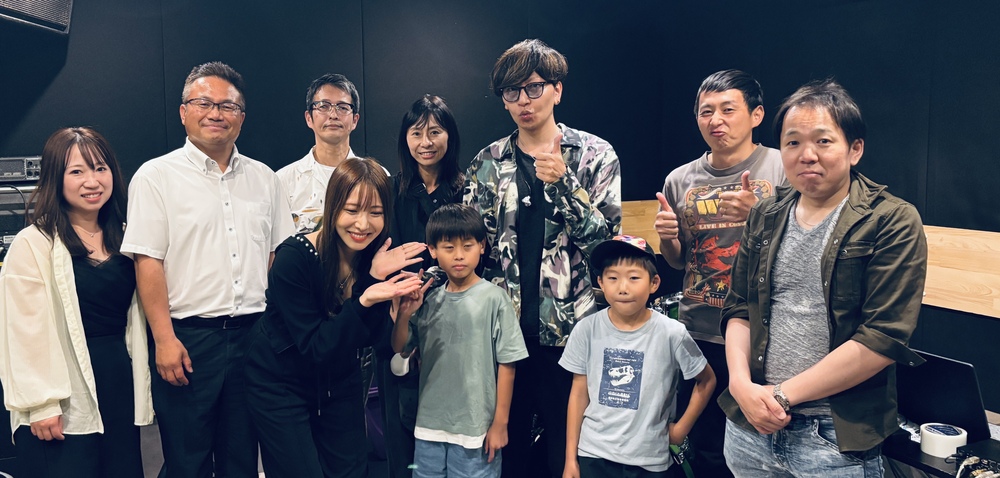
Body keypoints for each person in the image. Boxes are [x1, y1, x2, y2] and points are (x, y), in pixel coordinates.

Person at [720, 79, 928, 476]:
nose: (807, 155)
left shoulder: (892, 220)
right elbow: (740, 307)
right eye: (793, 142)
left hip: (834, 435)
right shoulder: (765, 214)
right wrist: (740, 385)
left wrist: (781, 396)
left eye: (823, 141)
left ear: (855, 149)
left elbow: (882, 337)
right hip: (750, 426)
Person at [121, 61, 295, 477]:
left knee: (242, 459)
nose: (216, 113)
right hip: (188, 340)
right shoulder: (156, 176)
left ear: (242, 117)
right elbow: (148, 262)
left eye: (227, 106)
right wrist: (164, 339)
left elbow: (278, 257)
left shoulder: (265, 179)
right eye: (204, 103)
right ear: (184, 111)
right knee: (187, 461)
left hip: (255, 337)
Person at [465, 38, 621, 478]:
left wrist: (564, 184)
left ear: (557, 90)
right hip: (504, 335)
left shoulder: (594, 154)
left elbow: (607, 248)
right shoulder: (487, 162)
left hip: (571, 334)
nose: (523, 101)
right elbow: (474, 251)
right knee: (506, 454)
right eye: (511, 92)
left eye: (533, 88)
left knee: (566, 454)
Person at [246, 157, 426, 477]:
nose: (362, 224)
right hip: (280, 383)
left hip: (338, 379)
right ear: (332, 207)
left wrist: (400, 312)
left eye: (375, 212)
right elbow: (317, 346)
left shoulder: (376, 261)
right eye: (352, 210)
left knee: (352, 469)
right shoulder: (294, 259)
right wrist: (365, 298)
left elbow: (382, 345)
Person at [654, 69, 786, 477]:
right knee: (708, 447)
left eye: (728, 110)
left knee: (765, 445)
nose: (716, 121)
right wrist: (668, 239)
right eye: (706, 111)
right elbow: (678, 261)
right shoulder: (680, 179)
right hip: (700, 329)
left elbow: (804, 244)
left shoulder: (782, 167)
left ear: (756, 115)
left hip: (765, 334)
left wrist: (760, 214)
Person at [0, 127, 153, 477]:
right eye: (77, 172)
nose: (92, 181)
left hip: (117, 380)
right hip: (62, 389)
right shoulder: (33, 243)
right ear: (56, 178)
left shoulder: (127, 237)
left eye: (100, 168)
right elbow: (23, 332)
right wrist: (41, 404)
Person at [390, 203, 529, 478]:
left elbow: (508, 363)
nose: (459, 255)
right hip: (428, 427)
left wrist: (500, 423)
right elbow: (400, 348)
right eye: (448, 247)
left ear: (481, 246)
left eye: (467, 246)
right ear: (433, 250)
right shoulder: (429, 299)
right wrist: (404, 314)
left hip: (476, 431)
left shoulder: (495, 298)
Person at [560, 235, 716, 478]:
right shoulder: (586, 329)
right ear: (600, 282)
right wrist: (570, 458)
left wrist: (680, 430)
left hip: (649, 460)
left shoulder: (671, 332)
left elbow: (706, 380)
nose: (623, 288)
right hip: (593, 455)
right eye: (613, 278)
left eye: (634, 278)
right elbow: (578, 393)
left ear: (654, 283)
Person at [378, 94, 464, 478]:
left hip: (455, 325)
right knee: (401, 428)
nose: (425, 142)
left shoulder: (468, 190)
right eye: (416, 133)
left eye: (435, 132)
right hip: (400, 321)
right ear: (405, 139)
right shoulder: (389, 191)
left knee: (453, 426)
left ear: (450, 136)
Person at [278, 73, 362, 234]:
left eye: (343, 107)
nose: (333, 115)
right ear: (309, 118)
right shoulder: (283, 181)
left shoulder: (376, 176)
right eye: (323, 106)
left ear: (355, 120)